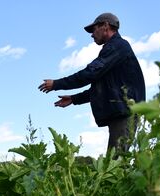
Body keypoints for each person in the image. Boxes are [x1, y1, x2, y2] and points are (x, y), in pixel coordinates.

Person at [38, 13, 145, 156]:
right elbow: (102, 87)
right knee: (115, 162)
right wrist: (74, 99)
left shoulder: (118, 46)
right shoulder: (113, 50)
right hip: (121, 112)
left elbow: (90, 73)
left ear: (106, 26)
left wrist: (57, 84)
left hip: (125, 113)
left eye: (94, 30)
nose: (92, 35)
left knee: (115, 164)